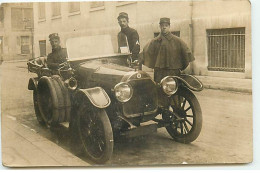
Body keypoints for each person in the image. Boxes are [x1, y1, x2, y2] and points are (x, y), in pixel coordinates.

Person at [142, 17, 195, 83]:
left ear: (169, 26)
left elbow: (186, 53)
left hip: (173, 71)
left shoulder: (177, 41)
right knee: (159, 89)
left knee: (174, 89)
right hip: (159, 72)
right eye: (162, 25)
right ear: (160, 26)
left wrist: (180, 67)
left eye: (166, 25)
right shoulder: (154, 41)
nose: (164, 27)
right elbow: (146, 52)